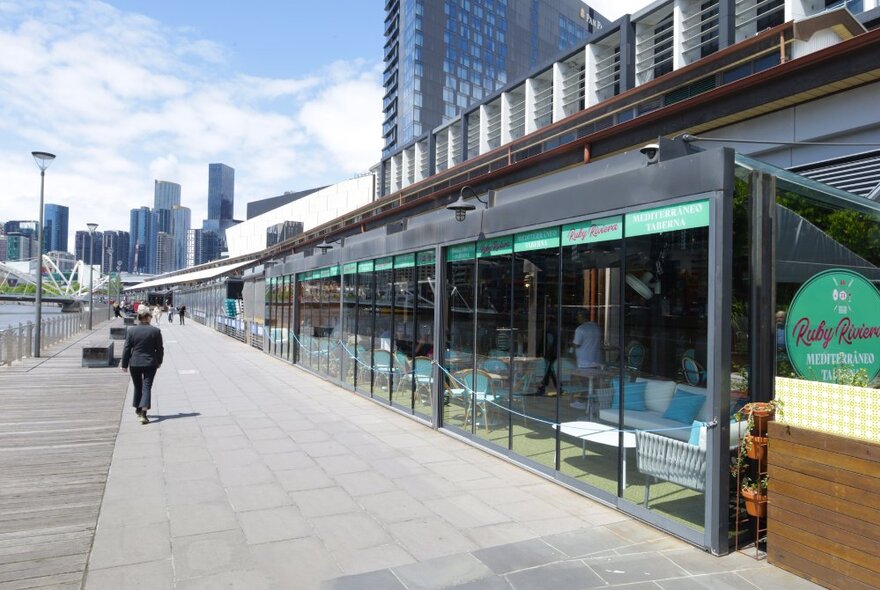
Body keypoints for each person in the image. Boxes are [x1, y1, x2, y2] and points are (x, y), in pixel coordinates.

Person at [121, 306, 164, 424]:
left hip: (135, 363)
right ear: (148, 317)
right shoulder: (155, 331)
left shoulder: (131, 331)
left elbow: (127, 348)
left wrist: (124, 364)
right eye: (150, 316)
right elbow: (159, 349)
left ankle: (138, 408)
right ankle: (143, 413)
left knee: (138, 386)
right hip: (150, 363)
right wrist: (159, 361)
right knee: (147, 386)